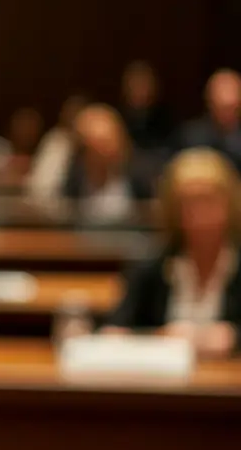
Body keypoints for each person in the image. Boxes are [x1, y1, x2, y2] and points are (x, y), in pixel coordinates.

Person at [100, 148, 241, 359]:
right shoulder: (150, 267)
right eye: (189, 204)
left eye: (209, 201)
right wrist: (158, 336)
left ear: (230, 205)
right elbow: (113, 331)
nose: (200, 214)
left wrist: (236, 338)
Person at [57, 104, 153, 225]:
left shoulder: (141, 178)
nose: (104, 154)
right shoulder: (74, 180)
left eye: (107, 145)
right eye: (94, 149)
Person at [27, 94, 89, 202]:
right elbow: (39, 178)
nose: (72, 117)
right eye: (70, 111)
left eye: (77, 112)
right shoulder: (54, 138)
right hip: (39, 204)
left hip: (72, 206)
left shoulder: (88, 147)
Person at [177, 69, 241, 170]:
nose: (227, 114)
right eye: (222, 108)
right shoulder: (191, 136)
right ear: (209, 103)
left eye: (232, 108)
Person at [119, 60, 174, 154]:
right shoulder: (118, 119)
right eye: (135, 85)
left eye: (143, 85)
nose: (140, 91)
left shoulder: (166, 120)